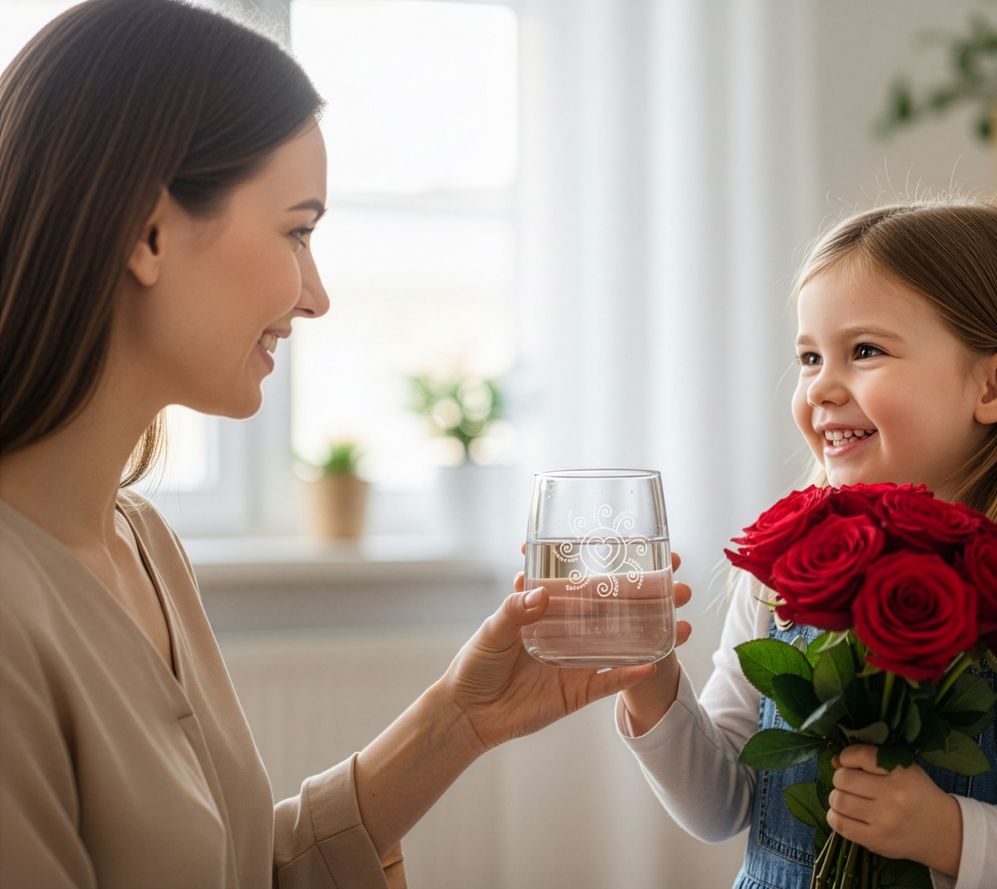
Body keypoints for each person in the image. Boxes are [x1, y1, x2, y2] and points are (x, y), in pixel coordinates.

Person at [0, 2, 693, 886]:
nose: (317, 294)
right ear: (148, 230)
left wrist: (460, 718)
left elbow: (236, 869)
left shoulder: (141, 543)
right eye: (297, 229)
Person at [614, 201, 997, 888]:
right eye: (809, 356)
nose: (821, 387)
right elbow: (723, 804)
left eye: (864, 351)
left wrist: (950, 833)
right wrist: (653, 685)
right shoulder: (781, 582)